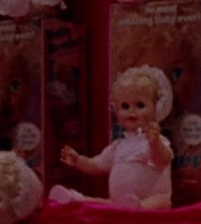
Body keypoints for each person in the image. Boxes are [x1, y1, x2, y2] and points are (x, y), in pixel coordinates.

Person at [50, 65, 174, 210]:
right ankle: (75, 199)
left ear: (156, 107)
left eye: (140, 105)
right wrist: (77, 160)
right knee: (105, 203)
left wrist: (155, 143)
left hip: (153, 201)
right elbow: (96, 164)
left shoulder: (155, 141)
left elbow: (162, 160)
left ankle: (138, 206)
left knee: (159, 201)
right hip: (120, 202)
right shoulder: (118, 146)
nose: (131, 111)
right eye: (125, 106)